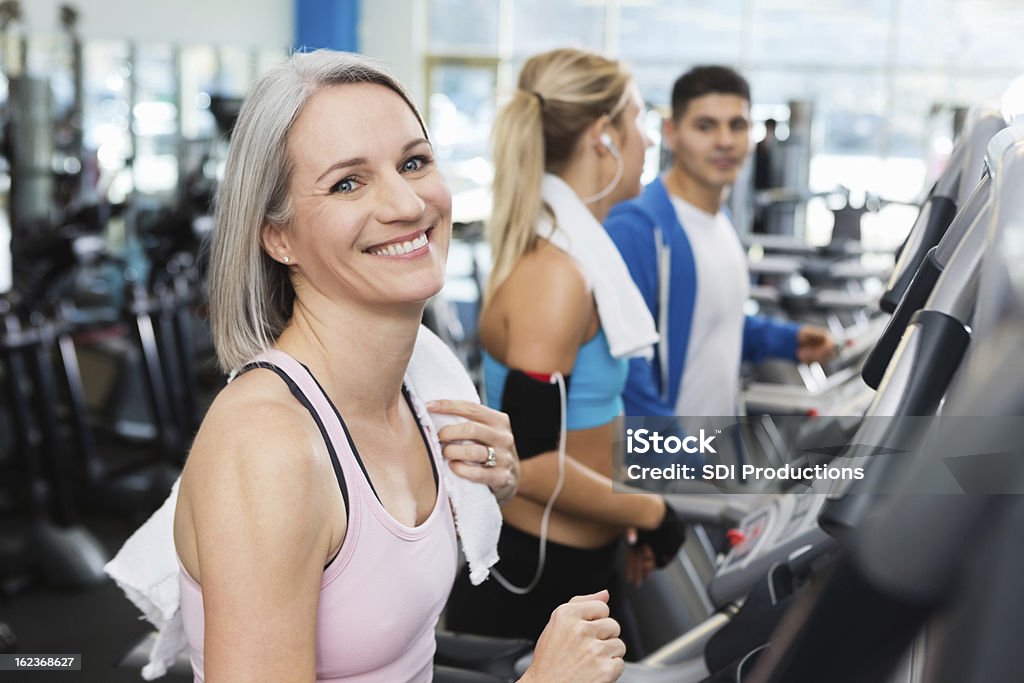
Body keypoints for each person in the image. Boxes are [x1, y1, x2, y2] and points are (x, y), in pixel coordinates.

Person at [172, 50, 626, 683]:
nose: (409, 205)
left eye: (414, 162)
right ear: (278, 237)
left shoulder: (420, 384)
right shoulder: (268, 448)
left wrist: (498, 482)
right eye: (347, 182)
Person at [444, 48, 687, 647]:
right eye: (639, 122)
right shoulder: (555, 277)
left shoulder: (579, 256)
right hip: (538, 573)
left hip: (584, 555)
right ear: (604, 136)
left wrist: (622, 514)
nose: (649, 144)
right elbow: (525, 463)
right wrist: (651, 513)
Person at [605, 66, 834, 424]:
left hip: (715, 451)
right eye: (706, 126)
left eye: (737, 125)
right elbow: (624, 370)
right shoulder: (638, 227)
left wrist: (787, 340)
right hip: (664, 468)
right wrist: (673, 460)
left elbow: (706, 323)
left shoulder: (721, 221)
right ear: (672, 132)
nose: (725, 141)